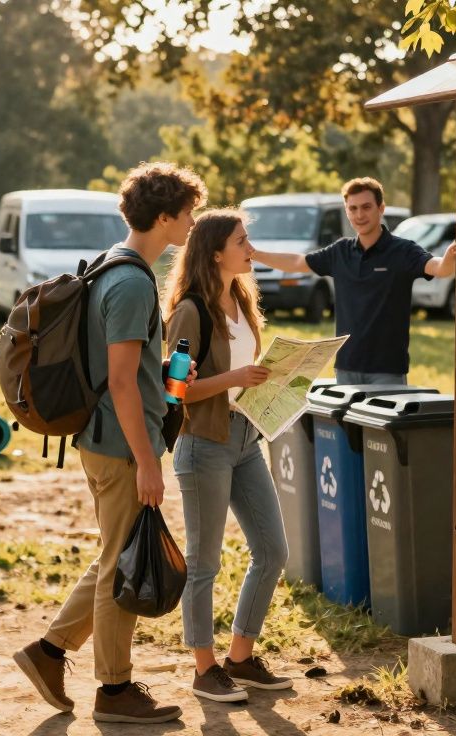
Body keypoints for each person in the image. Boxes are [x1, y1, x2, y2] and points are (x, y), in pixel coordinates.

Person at [13, 162, 207, 725]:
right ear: (165, 217)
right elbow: (120, 381)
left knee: (115, 558)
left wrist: (170, 379)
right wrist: (147, 460)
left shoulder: (113, 267)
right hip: (122, 446)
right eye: (188, 213)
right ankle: (115, 690)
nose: (193, 223)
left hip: (109, 439)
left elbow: (130, 372)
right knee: (126, 570)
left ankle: (48, 653)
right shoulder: (128, 282)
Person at [164, 209, 292, 703]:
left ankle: (240, 657)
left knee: (273, 550)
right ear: (216, 251)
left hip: (245, 438)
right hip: (203, 445)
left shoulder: (241, 300)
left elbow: (244, 371)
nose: (250, 247)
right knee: (204, 563)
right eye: (242, 240)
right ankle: (204, 669)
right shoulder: (190, 311)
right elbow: (175, 390)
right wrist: (233, 381)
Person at [250, 178, 456, 384]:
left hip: (387, 371)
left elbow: (438, 268)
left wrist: (450, 257)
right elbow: (297, 262)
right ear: (347, 211)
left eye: (366, 207)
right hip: (345, 367)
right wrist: (255, 254)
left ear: (381, 208)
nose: (359, 215)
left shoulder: (403, 250)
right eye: (353, 208)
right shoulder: (340, 251)